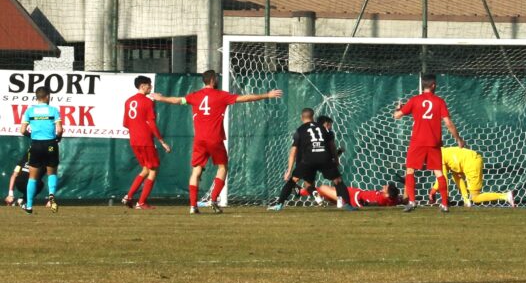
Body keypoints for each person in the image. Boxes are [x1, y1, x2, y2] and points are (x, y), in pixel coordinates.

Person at [152, 69, 282, 214]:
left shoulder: (194, 96)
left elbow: (177, 100)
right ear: (213, 80)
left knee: (196, 171)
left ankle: (193, 206)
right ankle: (213, 200)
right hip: (215, 138)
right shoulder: (221, 95)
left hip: (199, 139)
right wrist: (267, 95)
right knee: (222, 167)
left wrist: (160, 98)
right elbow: (245, 98)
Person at [393, 74, 465, 213]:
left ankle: (412, 201)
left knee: (410, 170)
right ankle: (444, 204)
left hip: (417, 142)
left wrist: (398, 108)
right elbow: (448, 123)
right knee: (438, 172)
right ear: (433, 85)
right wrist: (458, 139)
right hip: (433, 142)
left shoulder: (415, 100)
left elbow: (397, 115)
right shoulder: (439, 101)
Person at [268, 108, 354, 211]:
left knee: (292, 181)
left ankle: (279, 205)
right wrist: (336, 160)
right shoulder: (324, 128)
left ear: (301, 117)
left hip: (308, 160)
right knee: (338, 181)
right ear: (313, 117)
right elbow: (332, 146)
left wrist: (289, 171)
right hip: (324, 157)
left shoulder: (300, 130)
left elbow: (293, 152)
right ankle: (348, 205)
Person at [122, 75, 171, 210]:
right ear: (143, 86)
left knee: (145, 169)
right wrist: (162, 141)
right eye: (149, 85)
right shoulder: (147, 102)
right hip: (145, 140)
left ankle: (128, 196)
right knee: (154, 169)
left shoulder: (128, 101)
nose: (151, 87)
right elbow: (151, 123)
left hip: (134, 140)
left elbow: (126, 123)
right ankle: (141, 202)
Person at [19, 86, 62, 214]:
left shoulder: (29, 111)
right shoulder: (53, 110)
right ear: (48, 96)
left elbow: (22, 130)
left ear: (36, 97)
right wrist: (57, 138)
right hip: (50, 144)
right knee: (52, 173)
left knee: (32, 177)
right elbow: (59, 129)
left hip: (36, 145)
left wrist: (32, 136)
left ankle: (29, 206)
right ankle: (51, 196)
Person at [428, 147, 515, 207]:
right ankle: (466, 201)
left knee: (475, 197)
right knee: (456, 174)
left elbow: (443, 179)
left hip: (472, 164)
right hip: (471, 160)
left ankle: (505, 196)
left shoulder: (438, 157)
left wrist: (434, 190)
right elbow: (451, 177)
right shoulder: (442, 152)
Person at [300, 182, 405, 208]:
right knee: (326, 193)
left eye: (385, 188)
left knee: (323, 188)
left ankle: (300, 192)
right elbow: (404, 199)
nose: (383, 187)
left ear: (387, 195)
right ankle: (300, 192)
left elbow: (372, 203)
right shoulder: (393, 200)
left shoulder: (380, 198)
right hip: (354, 193)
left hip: (352, 197)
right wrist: (406, 184)